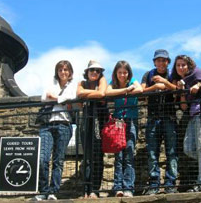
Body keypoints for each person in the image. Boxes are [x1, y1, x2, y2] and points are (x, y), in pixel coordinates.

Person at [171, 55, 201, 192]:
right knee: (188, 148)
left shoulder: (196, 72)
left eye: (183, 65)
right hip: (193, 115)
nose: (180, 67)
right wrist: (182, 91)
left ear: (189, 65)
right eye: (178, 65)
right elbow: (184, 107)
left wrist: (199, 84)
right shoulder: (184, 80)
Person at [34, 60, 77, 201]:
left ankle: (53, 191)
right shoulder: (51, 83)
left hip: (64, 124)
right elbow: (43, 98)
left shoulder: (73, 85)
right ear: (57, 72)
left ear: (70, 72)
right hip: (47, 124)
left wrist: (55, 98)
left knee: (58, 160)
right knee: (42, 158)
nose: (63, 72)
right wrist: (61, 100)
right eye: (60, 70)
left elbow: (71, 97)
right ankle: (43, 190)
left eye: (65, 69)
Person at [141, 49, 178, 195]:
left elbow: (178, 90)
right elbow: (142, 92)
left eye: (164, 60)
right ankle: (154, 184)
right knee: (152, 153)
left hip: (169, 117)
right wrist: (155, 87)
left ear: (168, 62)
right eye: (158, 60)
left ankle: (170, 184)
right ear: (154, 62)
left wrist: (164, 82)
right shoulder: (148, 74)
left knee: (172, 152)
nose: (161, 63)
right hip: (153, 118)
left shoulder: (172, 74)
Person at [105, 60, 143, 197]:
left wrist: (126, 89)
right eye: (120, 72)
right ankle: (118, 187)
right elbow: (107, 92)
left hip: (131, 121)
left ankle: (128, 187)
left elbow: (140, 89)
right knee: (118, 156)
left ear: (128, 73)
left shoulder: (132, 80)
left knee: (129, 153)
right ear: (116, 73)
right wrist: (126, 90)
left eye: (125, 72)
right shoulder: (113, 84)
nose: (122, 75)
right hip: (118, 122)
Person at [77, 60, 107, 199]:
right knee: (87, 156)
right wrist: (90, 93)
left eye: (97, 70)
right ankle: (86, 189)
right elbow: (78, 93)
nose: (95, 72)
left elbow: (101, 94)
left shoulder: (103, 80)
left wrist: (85, 94)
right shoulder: (81, 83)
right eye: (92, 70)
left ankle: (95, 189)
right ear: (87, 72)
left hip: (100, 120)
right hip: (86, 121)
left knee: (98, 155)